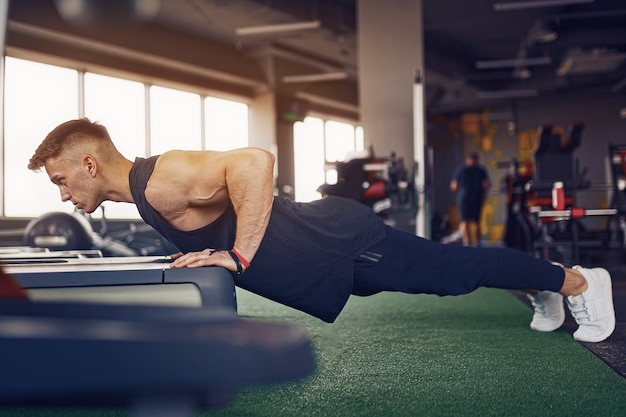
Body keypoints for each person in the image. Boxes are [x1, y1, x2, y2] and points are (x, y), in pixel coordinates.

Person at [27, 118, 615, 343]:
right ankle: (548, 284)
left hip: (342, 244)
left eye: (59, 179)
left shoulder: (159, 180)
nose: (61, 195)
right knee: (445, 270)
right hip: (330, 262)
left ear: (88, 164)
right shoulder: (145, 193)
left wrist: (238, 256)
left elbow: (253, 160)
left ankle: (578, 284)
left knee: (455, 273)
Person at [450, 151, 491, 246]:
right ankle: (470, 243)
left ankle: (471, 243)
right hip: (469, 199)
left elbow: (454, 186)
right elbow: (454, 186)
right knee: (467, 221)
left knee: (472, 221)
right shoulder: (464, 170)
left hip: (472, 199)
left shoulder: (478, 170)